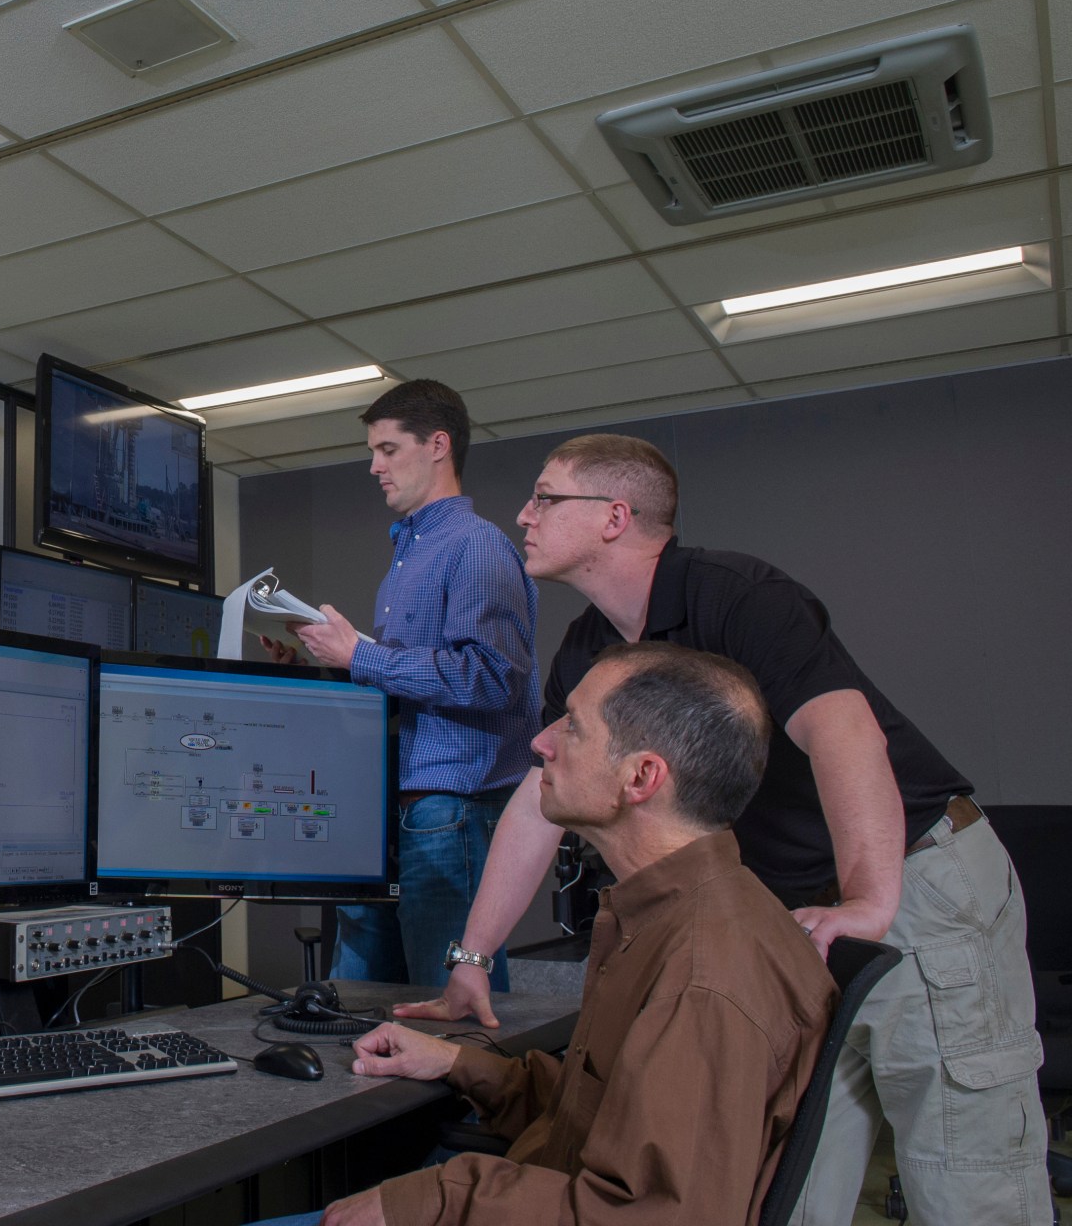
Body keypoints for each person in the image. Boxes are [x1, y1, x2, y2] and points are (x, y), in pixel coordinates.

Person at [395, 434, 1048, 1224]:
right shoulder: (592, 650)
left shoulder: (737, 595)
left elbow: (847, 733)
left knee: (965, 1178)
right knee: (789, 1184)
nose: (523, 516)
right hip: (794, 917)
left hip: (916, 876)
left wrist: (870, 901)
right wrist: (474, 957)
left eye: (544, 497)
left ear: (614, 516)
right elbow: (541, 797)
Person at [271, 643, 836, 1226]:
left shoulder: (703, 978)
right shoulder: (683, 917)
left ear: (641, 776)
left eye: (573, 726)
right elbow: (599, 1116)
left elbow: (648, 1216)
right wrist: (460, 1064)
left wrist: (423, 1202)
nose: (541, 742)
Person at [266, 379, 540, 989]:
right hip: (398, 813)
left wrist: (361, 654)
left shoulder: (476, 547)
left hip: (451, 817)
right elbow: (415, 688)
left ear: (438, 445)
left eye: (388, 449)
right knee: (361, 1003)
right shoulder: (409, 558)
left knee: (452, 1013)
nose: (374, 466)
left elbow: (492, 677)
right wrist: (326, 662)